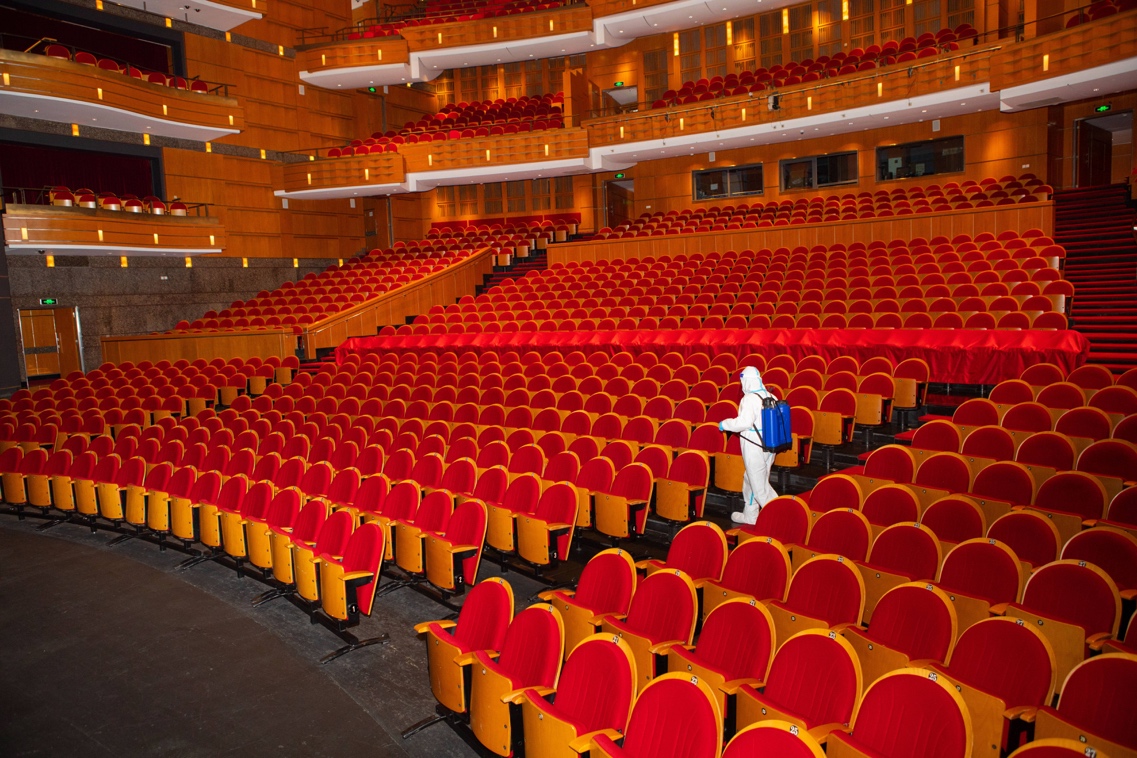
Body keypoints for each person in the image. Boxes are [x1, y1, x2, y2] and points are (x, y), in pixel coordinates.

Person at [718, 366, 779, 524]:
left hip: (754, 446)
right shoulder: (771, 395)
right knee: (752, 478)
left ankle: (779, 512)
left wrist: (725, 424)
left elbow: (743, 423)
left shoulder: (749, 399)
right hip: (770, 445)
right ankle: (751, 515)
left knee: (759, 485)